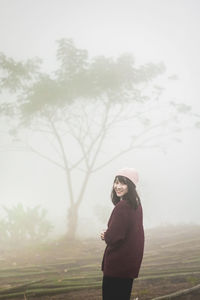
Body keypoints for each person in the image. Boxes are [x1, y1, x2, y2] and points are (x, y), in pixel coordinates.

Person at [100, 168, 144, 300]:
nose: (118, 187)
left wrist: (106, 235)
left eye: (123, 183)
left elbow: (114, 237)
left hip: (117, 266)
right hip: (129, 264)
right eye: (116, 182)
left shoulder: (122, 207)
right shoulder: (136, 204)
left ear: (130, 186)